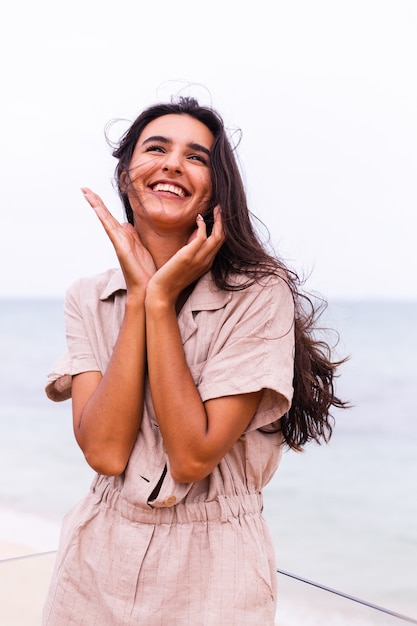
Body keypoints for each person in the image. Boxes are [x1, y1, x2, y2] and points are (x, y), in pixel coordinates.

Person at [43, 96, 346, 625]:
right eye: (155, 148)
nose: (172, 164)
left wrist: (158, 300)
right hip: (95, 557)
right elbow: (106, 453)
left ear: (215, 189)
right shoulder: (88, 297)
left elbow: (191, 457)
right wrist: (139, 297)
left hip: (215, 563)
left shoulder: (257, 295)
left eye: (197, 156)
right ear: (125, 176)